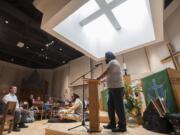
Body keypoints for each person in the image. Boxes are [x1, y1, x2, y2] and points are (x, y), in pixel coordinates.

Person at [97, 51, 127, 132]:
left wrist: (98, 78)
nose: (105, 59)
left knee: (119, 107)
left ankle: (122, 126)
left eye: (105, 57)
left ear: (109, 57)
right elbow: (109, 76)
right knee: (110, 106)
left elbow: (106, 72)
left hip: (117, 88)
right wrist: (102, 80)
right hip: (112, 89)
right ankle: (112, 123)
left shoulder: (112, 62)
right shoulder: (113, 63)